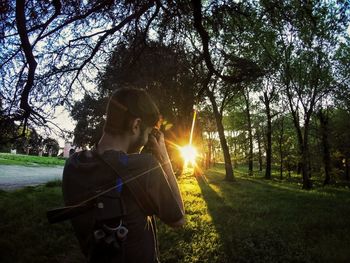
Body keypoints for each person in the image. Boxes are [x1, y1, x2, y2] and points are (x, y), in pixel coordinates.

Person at [62, 88, 185, 263]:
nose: (147, 141)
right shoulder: (144, 166)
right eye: (148, 133)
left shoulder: (73, 166)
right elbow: (178, 219)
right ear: (136, 125)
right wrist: (164, 158)